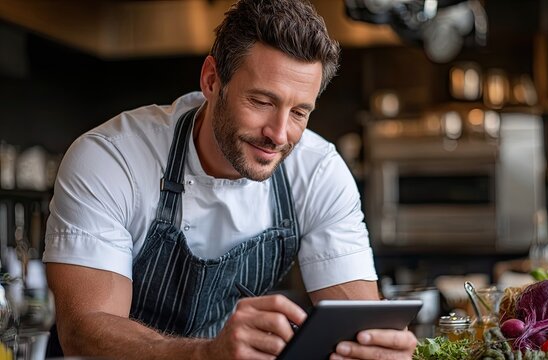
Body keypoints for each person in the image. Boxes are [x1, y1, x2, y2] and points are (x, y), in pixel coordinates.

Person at [43, 0, 417, 359]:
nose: (280, 134)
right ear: (211, 80)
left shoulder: (317, 170)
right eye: (262, 102)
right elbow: (85, 331)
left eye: (300, 112)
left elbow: (358, 321)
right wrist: (205, 355)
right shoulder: (112, 158)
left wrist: (379, 345)